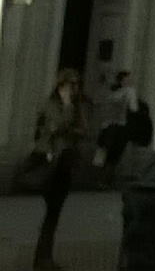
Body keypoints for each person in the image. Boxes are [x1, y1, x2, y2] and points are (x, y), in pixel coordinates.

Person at [30, 68, 86, 271]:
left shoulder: (74, 107)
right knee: (50, 214)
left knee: (53, 214)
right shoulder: (52, 104)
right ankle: (42, 259)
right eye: (73, 84)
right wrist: (67, 120)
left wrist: (68, 130)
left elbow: (81, 131)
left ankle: (44, 258)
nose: (76, 89)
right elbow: (56, 125)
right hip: (51, 162)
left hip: (64, 163)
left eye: (77, 85)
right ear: (63, 85)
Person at [97, 71, 144, 177]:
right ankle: (107, 177)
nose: (131, 80)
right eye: (128, 78)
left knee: (104, 150)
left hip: (107, 125)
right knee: (115, 153)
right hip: (120, 125)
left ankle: (99, 175)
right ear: (124, 79)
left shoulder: (112, 91)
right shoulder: (130, 91)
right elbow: (134, 108)